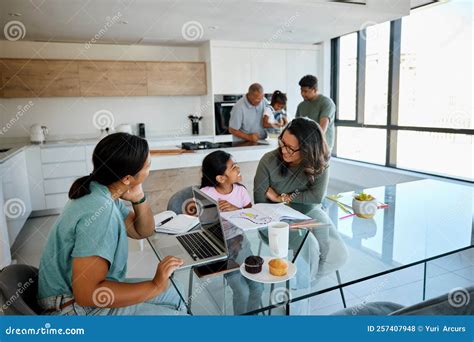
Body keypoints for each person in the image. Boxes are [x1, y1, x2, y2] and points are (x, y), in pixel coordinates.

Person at [37, 133, 186, 315]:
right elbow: (87, 293)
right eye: (148, 165)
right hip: (72, 308)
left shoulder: (101, 190)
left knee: (179, 298)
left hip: (79, 296)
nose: (149, 169)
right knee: (179, 317)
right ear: (126, 178)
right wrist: (155, 285)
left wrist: (138, 197)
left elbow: (143, 230)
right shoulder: (100, 211)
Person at [253, 117, 330, 211]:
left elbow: (316, 197)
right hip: (275, 216)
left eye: (290, 148)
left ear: (307, 150)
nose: (283, 150)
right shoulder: (268, 160)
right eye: (282, 142)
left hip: (310, 213)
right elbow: (260, 203)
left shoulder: (319, 161)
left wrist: (280, 198)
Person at [295, 75, 336, 152]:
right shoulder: (301, 105)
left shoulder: (326, 103)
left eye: (305, 91)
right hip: (305, 147)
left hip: (321, 148)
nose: (302, 94)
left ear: (315, 90)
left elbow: (322, 129)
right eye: (301, 90)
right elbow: (296, 127)